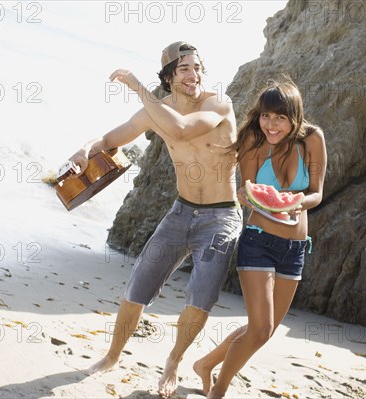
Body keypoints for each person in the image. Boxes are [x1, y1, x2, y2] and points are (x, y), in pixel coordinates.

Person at [68, 41, 242, 397]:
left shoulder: (218, 104)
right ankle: (111, 356)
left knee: (200, 296)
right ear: (168, 77)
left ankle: (174, 361)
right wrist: (87, 148)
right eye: (184, 69)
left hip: (221, 217)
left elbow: (180, 130)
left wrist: (136, 86)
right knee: (137, 288)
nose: (194, 76)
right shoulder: (155, 110)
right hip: (181, 211)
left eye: (197, 67)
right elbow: (110, 138)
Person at [193, 80, 327, 399]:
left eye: (279, 118)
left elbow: (317, 193)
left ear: (295, 117)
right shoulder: (253, 139)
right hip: (258, 241)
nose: (271, 124)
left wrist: (296, 202)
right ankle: (218, 391)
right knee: (259, 328)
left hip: (295, 249)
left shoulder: (313, 139)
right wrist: (247, 197)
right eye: (266, 116)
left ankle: (205, 364)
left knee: (263, 332)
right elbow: (250, 192)